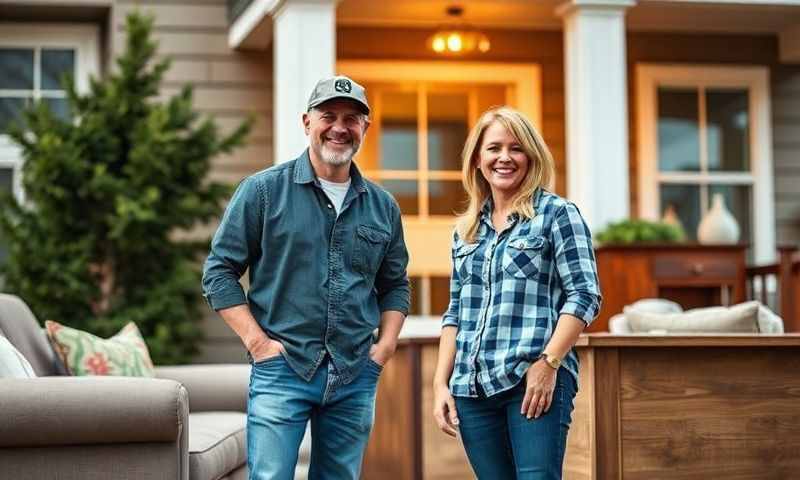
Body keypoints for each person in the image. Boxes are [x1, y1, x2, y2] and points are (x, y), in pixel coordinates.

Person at [202, 75, 410, 480]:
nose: (339, 127)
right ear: (306, 122)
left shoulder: (383, 207)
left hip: (355, 371)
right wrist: (256, 342)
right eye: (328, 115)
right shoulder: (262, 191)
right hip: (282, 367)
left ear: (365, 128)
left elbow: (395, 284)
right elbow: (219, 272)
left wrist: (384, 348)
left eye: (352, 118)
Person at [431, 106, 601, 479]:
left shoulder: (558, 215)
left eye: (516, 148)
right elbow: (455, 313)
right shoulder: (466, 231)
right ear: (478, 158)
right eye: (494, 148)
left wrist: (549, 364)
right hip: (472, 389)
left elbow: (585, 295)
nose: (504, 157)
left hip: (532, 381)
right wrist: (440, 383)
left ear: (531, 157)